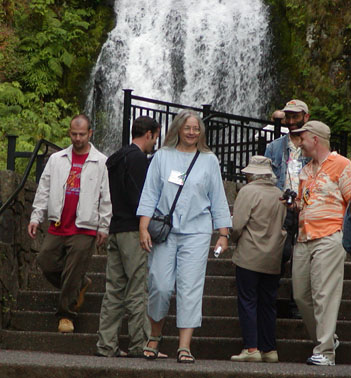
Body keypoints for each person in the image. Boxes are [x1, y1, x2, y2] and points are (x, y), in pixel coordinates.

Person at [136, 109, 231, 363]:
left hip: (197, 231)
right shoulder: (162, 156)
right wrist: (143, 227)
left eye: (196, 129)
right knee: (160, 284)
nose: (192, 132)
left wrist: (223, 233)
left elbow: (218, 198)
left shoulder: (209, 160)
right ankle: (154, 335)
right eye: (188, 128)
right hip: (165, 231)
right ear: (178, 129)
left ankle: (184, 346)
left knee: (190, 287)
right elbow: (149, 193)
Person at [28, 114, 111, 333]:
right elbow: (44, 188)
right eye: (74, 134)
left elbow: (106, 195)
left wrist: (104, 225)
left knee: (74, 269)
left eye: (82, 134)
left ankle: (66, 315)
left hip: (85, 225)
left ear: (90, 133)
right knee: (45, 260)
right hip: (58, 223)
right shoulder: (57, 159)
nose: (77, 138)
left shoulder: (100, 161)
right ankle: (79, 284)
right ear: (69, 133)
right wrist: (36, 216)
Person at [96, 116, 163, 358]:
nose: (155, 142)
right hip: (134, 231)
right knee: (137, 289)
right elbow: (140, 198)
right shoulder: (138, 159)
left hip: (115, 227)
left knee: (113, 290)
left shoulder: (116, 157)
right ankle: (140, 345)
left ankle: (106, 345)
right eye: (156, 137)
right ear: (150, 134)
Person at [290, 120, 351, 366]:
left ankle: (325, 352)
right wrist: (292, 205)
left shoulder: (342, 165)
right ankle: (328, 338)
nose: (299, 143)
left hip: (330, 235)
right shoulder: (306, 170)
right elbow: (304, 203)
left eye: (302, 138)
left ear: (315, 139)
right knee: (300, 294)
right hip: (304, 237)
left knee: (324, 294)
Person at [230, 156, 287, 363]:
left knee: (247, 301)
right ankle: (269, 349)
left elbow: (237, 225)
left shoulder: (247, 191)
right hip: (272, 256)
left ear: (251, 174)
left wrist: (232, 239)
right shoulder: (279, 194)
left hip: (249, 255)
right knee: (268, 303)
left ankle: (251, 348)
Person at [265, 99, 310, 318]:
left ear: (306, 117)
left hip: (306, 210)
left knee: (302, 258)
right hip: (281, 208)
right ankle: (269, 302)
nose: (291, 121)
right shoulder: (274, 147)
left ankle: (297, 304)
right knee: (278, 255)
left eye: (295, 117)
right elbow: (265, 178)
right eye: (288, 117)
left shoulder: (312, 146)